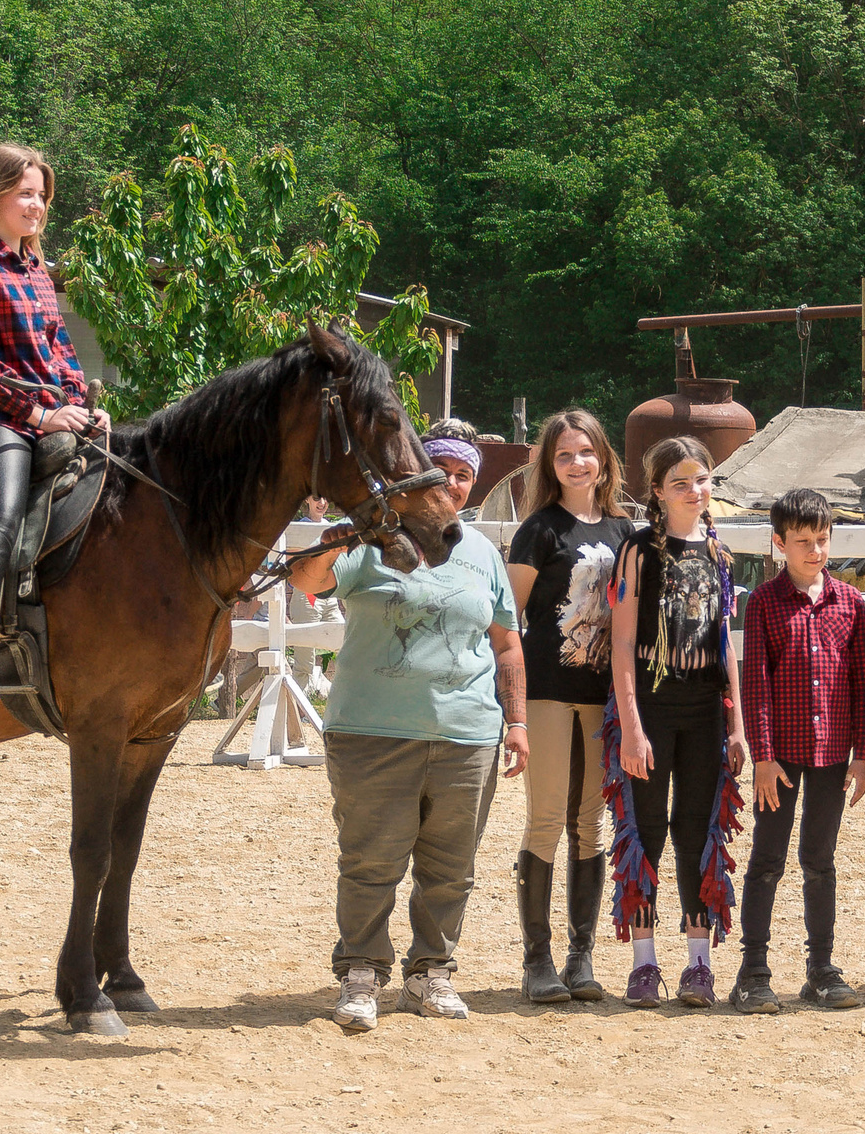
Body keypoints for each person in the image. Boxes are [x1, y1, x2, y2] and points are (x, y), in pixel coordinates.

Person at [290, 448, 528, 1031]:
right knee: (372, 859)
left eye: (463, 475)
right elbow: (307, 579)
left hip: (466, 733)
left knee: (452, 865)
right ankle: (361, 972)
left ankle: (431, 973)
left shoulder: (481, 554)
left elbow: (506, 643)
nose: (450, 481)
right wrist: (349, 530)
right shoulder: (370, 538)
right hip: (372, 730)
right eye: (438, 469)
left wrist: (516, 722)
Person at [0, 143, 103, 705]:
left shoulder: (35, 269)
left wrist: (82, 402)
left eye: (42, 196)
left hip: (50, 414)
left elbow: (60, 351)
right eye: (25, 194)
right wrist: (41, 413)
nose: (37, 206)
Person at [604, 437, 750, 1009]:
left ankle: (698, 963)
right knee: (644, 830)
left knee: (699, 829)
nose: (695, 491)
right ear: (659, 492)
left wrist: (736, 723)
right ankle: (644, 963)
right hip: (651, 703)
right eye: (681, 483)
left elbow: (726, 646)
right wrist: (633, 728)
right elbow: (621, 647)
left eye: (702, 480)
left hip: (706, 707)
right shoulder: (637, 553)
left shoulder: (719, 554)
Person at [505, 408, 635, 1005]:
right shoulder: (539, 529)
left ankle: (580, 957)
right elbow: (510, 617)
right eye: (564, 455)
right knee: (546, 818)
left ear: (604, 458)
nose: (577, 462)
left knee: (590, 822)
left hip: (602, 696)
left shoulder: (624, 532)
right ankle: (538, 960)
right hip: (550, 689)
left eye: (586, 452)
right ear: (550, 466)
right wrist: (514, 710)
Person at [734, 488, 865, 1012]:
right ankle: (753, 969)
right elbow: (758, 687)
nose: (815, 551)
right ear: (779, 543)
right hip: (783, 755)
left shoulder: (850, 604)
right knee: (767, 858)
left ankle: (821, 967)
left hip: (833, 755)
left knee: (820, 860)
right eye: (803, 542)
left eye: (821, 540)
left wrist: (863, 753)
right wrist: (764, 757)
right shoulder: (765, 604)